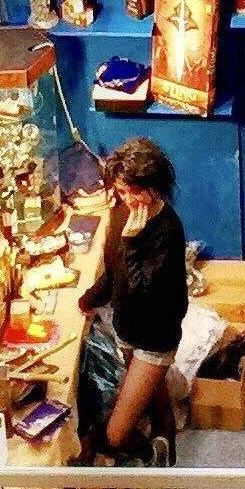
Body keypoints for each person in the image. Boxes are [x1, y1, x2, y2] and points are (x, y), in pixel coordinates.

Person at [84, 137, 187, 467]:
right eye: (121, 191)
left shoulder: (167, 230)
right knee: (156, 401)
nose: (128, 200)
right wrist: (90, 299)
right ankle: (167, 463)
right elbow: (114, 273)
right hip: (126, 328)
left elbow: (142, 290)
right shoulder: (119, 213)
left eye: (135, 191)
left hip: (155, 337)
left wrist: (131, 243)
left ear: (154, 186)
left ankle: (151, 457)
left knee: (114, 437)